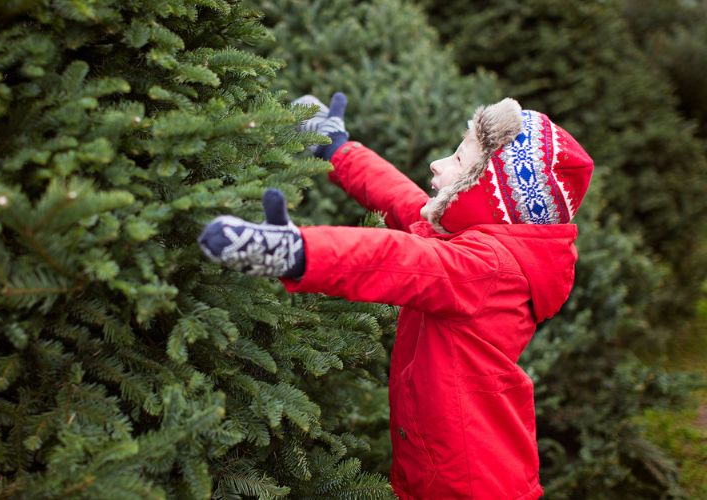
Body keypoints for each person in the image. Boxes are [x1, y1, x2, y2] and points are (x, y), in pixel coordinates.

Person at [198, 93, 593, 499]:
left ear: (490, 196)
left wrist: (296, 253)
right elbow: (402, 200)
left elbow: (397, 258)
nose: (438, 164)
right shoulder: (473, 247)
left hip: (468, 486)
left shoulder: (486, 268)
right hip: (458, 469)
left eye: (459, 160)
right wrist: (338, 150)